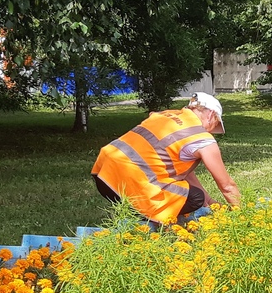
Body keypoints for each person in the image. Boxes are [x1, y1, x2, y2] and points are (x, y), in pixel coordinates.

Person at [91, 92, 241, 224]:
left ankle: (139, 217)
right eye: (215, 125)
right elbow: (227, 186)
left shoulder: (164, 115)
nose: (212, 131)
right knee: (195, 198)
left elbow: (187, 174)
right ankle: (155, 222)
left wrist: (209, 202)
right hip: (134, 184)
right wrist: (242, 215)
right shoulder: (202, 139)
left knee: (196, 195)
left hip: (104, 175)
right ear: (211, 115)